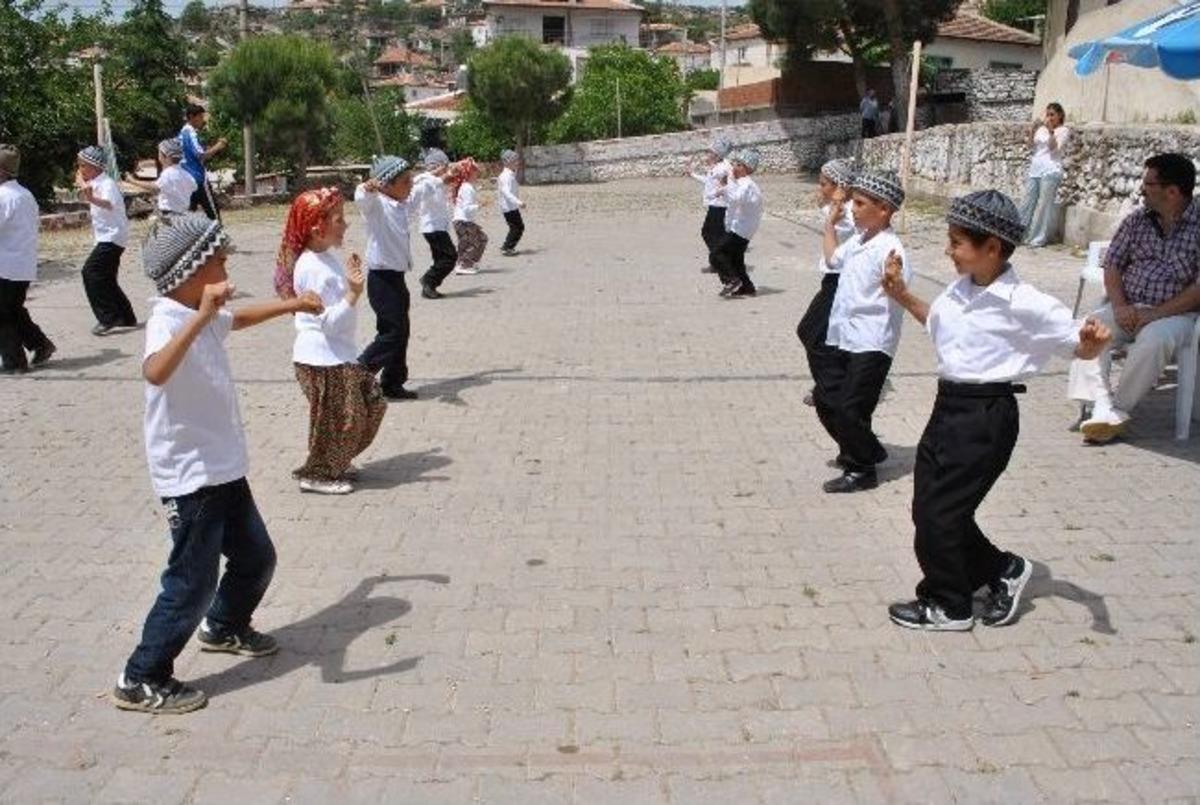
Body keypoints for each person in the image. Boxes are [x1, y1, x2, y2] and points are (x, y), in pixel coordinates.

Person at [113, 214, 324, 714]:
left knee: (257, 558)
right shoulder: (168, 315)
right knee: (191, 581)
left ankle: (224, 625)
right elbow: (155, 371)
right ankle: (141, 676)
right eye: (220, 261)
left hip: (224, 467)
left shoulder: (198, 308)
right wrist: (200, 318)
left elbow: (240, 318)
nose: (228, 268)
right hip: (190, 478)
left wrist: (293, 303)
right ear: (189, 271)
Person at [880, 190, 1111, 630]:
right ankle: (1003, 570)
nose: (948, 251)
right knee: (929, 509)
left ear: (992, 248)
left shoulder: (1026, 302)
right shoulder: (960, 289)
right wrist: (901, 295)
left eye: (957, 243)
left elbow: (1076, 343)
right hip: (948, 408)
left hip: (985, 416)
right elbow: (940, 325)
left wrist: (1092, 344)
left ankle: (949, 605)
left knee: (940, 514)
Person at [1068, 152, 1200, 443]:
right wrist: (1119, 305)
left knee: (1155, 339)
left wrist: (1156, 313)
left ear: (1173, 191)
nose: (1142, 189)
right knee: (1090, 328)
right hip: (1128, 307)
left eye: (1148, 184)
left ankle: (1116, 409)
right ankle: (1101, 407)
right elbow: (1113, 264)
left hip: (1177, 314)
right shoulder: (1137, 220)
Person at [276, 188, 388, 495]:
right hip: (321, 358)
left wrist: (349, 279)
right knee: (340, 419)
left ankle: (336, 459)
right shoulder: (312, 267)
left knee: (369, 403)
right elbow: (327, 323)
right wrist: (353, 292)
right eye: (339, 219)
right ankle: (319, 473)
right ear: (317, 228)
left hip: (338, 354)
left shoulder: (324, 257)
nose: (346, 225)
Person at [814, 169, 909, 493]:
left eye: (859, 203)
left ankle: (862, 468)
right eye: (853, 203)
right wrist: (830, 222)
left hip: (872, 340)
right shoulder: (858, 240)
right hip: (845, 335)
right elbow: (832, 258)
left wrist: (895, 280)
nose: (852, 209)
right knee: (826, 398)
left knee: (851, 407)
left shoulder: (890, 249)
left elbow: (897, 286)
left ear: (883, 210)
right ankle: (863, 448)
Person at [355, 155, 418, 402]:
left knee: (401, 332)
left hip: (397, 278)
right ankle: (357, 374)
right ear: (386, 185)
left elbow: (424, 184)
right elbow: (362, 198)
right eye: (405, 181)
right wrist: (367, 187)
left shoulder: (401, 204)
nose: (410, 184)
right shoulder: (376, 206)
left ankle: (392, 382)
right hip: (381, 280)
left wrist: (444, 175)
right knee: (392, 333)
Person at [797, 158, 856, 406]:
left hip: (842, 280)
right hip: (833, 280)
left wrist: (836, 202)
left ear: (840, 185)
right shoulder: (842, 208)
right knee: (820, 334)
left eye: (824, 184)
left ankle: (830, 387)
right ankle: (830, 383)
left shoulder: (849, 212)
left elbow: (843, 228)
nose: (819, 189)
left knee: (813, 333)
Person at [0, 144, 55, 373]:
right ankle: (40, 344)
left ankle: (14, 363)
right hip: (22, 265)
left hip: (5, 265)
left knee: (3, 315)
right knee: (13, 310)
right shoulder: (25, 194)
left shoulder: (3, 197)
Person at [76, 145, 137, 336]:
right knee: (107, 278)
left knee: (90, 272)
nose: (80, 169)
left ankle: (108, 317)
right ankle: (126, 317)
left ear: (95, 167)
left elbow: (109, 203)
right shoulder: (95, 182)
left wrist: (92, 198)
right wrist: (83, 182)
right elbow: (81, 180)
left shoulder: (107, 184)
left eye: (83, 166)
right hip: (107, 237)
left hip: (112, 237)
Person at [711, 148, 764, 299]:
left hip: (742, 229)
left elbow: (736, 199)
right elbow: (733, 200)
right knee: (736, 259)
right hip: (744, 227)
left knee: (717, 253)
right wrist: (725, 188)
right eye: (735, 164)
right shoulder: (743, 183)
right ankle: (747, 287)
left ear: (747, 169)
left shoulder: (746, 184)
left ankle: (731, 280)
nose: (734, 167)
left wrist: (727, 187)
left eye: (739, 165)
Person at [1020, 102, 1070, 248]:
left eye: (1052, 115)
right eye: (1047, 114)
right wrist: (1031, 131)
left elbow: (1054, 148)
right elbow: (1030, 146)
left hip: (1051, 170)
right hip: (1035, 169)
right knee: (1027, 202)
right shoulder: (1041, 129)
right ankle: (1021, 234)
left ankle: (1036, 239)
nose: (1049, 118)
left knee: (1043, 205)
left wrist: (1050, 131)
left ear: (1060, 115)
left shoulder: (1063, 131)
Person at [408, 148, 457, 299]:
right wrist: (441, 177)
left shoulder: (434, 180)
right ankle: (428, 279)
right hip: (432, 226)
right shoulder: (425, 180)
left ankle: (430, 288)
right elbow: (425, 187)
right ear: (438, 166)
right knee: (450, 257)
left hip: (438, 225)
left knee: (440, 259)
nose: (447, 170)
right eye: (445, 166)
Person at [688, 138, 733, 273]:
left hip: (720, 207)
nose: (708, 154)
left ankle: (722, 261)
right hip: (715, 205)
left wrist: (718, 192)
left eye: (710, 151)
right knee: (714, 235)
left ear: (717, 154)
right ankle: (719, 261)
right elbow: (708, 181)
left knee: (708, 234)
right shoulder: (717, 167)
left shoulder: (724, 168)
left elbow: (728, 185)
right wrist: (693, 175)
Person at [124, 138, 197, 217]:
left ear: (164, 156)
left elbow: (154, 187)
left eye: (159, 153)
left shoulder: (168, 173)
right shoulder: (187, 174)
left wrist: (132, 180)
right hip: (183, 213)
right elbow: (194, 187)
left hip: (168, 214)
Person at [179, 103, 227, 221]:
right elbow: (200, 155)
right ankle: (217, 236)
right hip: (198, 179)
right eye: (200, 117)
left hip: (186, 180)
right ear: (191, 117)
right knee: (214, 215)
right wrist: (218, 146)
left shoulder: (181, 134)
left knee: (188, 217)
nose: (203, 120)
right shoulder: (190, 133)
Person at [449, 158, 489, 275]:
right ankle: (464, 264)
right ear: (469, 173)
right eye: (475, 171)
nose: (477, 173)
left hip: (461, 221)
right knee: (478, 240)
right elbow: (467, 209)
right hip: (464, 221)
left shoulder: (466, 186)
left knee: (468, 242)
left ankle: (465, 263)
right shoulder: (467, 188)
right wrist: (480, 205)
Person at [497, 149, 526, 256]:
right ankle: (506, 247)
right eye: (515, 161)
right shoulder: (506, 176)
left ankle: (508, 246)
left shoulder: (509, 174)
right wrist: (518, 202)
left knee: (517, 227)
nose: (517, 163)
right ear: (507, 162)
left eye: (517, 160)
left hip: (511, 207)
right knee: (517, 227)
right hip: (509, 207)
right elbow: (506, 193)